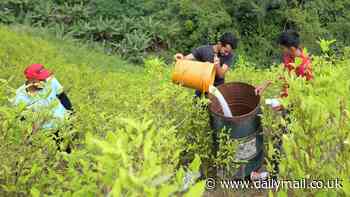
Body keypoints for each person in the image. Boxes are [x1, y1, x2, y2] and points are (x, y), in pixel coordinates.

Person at [254, 30, 314, 180]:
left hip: (294, 106)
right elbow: (282, 73)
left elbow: (307, 94)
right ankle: (284, 171)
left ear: (292, 48)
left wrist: (285, 104)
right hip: (285, 102)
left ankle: (272, 177)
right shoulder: (289, 56)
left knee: (281, 140)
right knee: (282, 138)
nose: (283, 51)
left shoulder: (305, 66)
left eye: (284, 48)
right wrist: (264, 84)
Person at [13, 64, 73, 152]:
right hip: (46, 132)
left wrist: (71, 115)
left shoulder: (51, 81)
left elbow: (63, 97)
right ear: (31, 80)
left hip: (64, 122)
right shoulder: (20, 97)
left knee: (68, 150)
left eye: (45, 77)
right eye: (41, 79)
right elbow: (22, 121)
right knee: (50, 155)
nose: (45, 80)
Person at [174, 32, 239, 98]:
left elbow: (221, 75)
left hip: (217, 91)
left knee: (215, 107)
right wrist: (180, 58)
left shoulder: (229, 56)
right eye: (225, 51)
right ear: (219, 44)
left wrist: (217, 65)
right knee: (197, 106)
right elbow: (186, 59)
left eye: (228, 52)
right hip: (201, 88)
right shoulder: (204, 50)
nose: (226, 54)